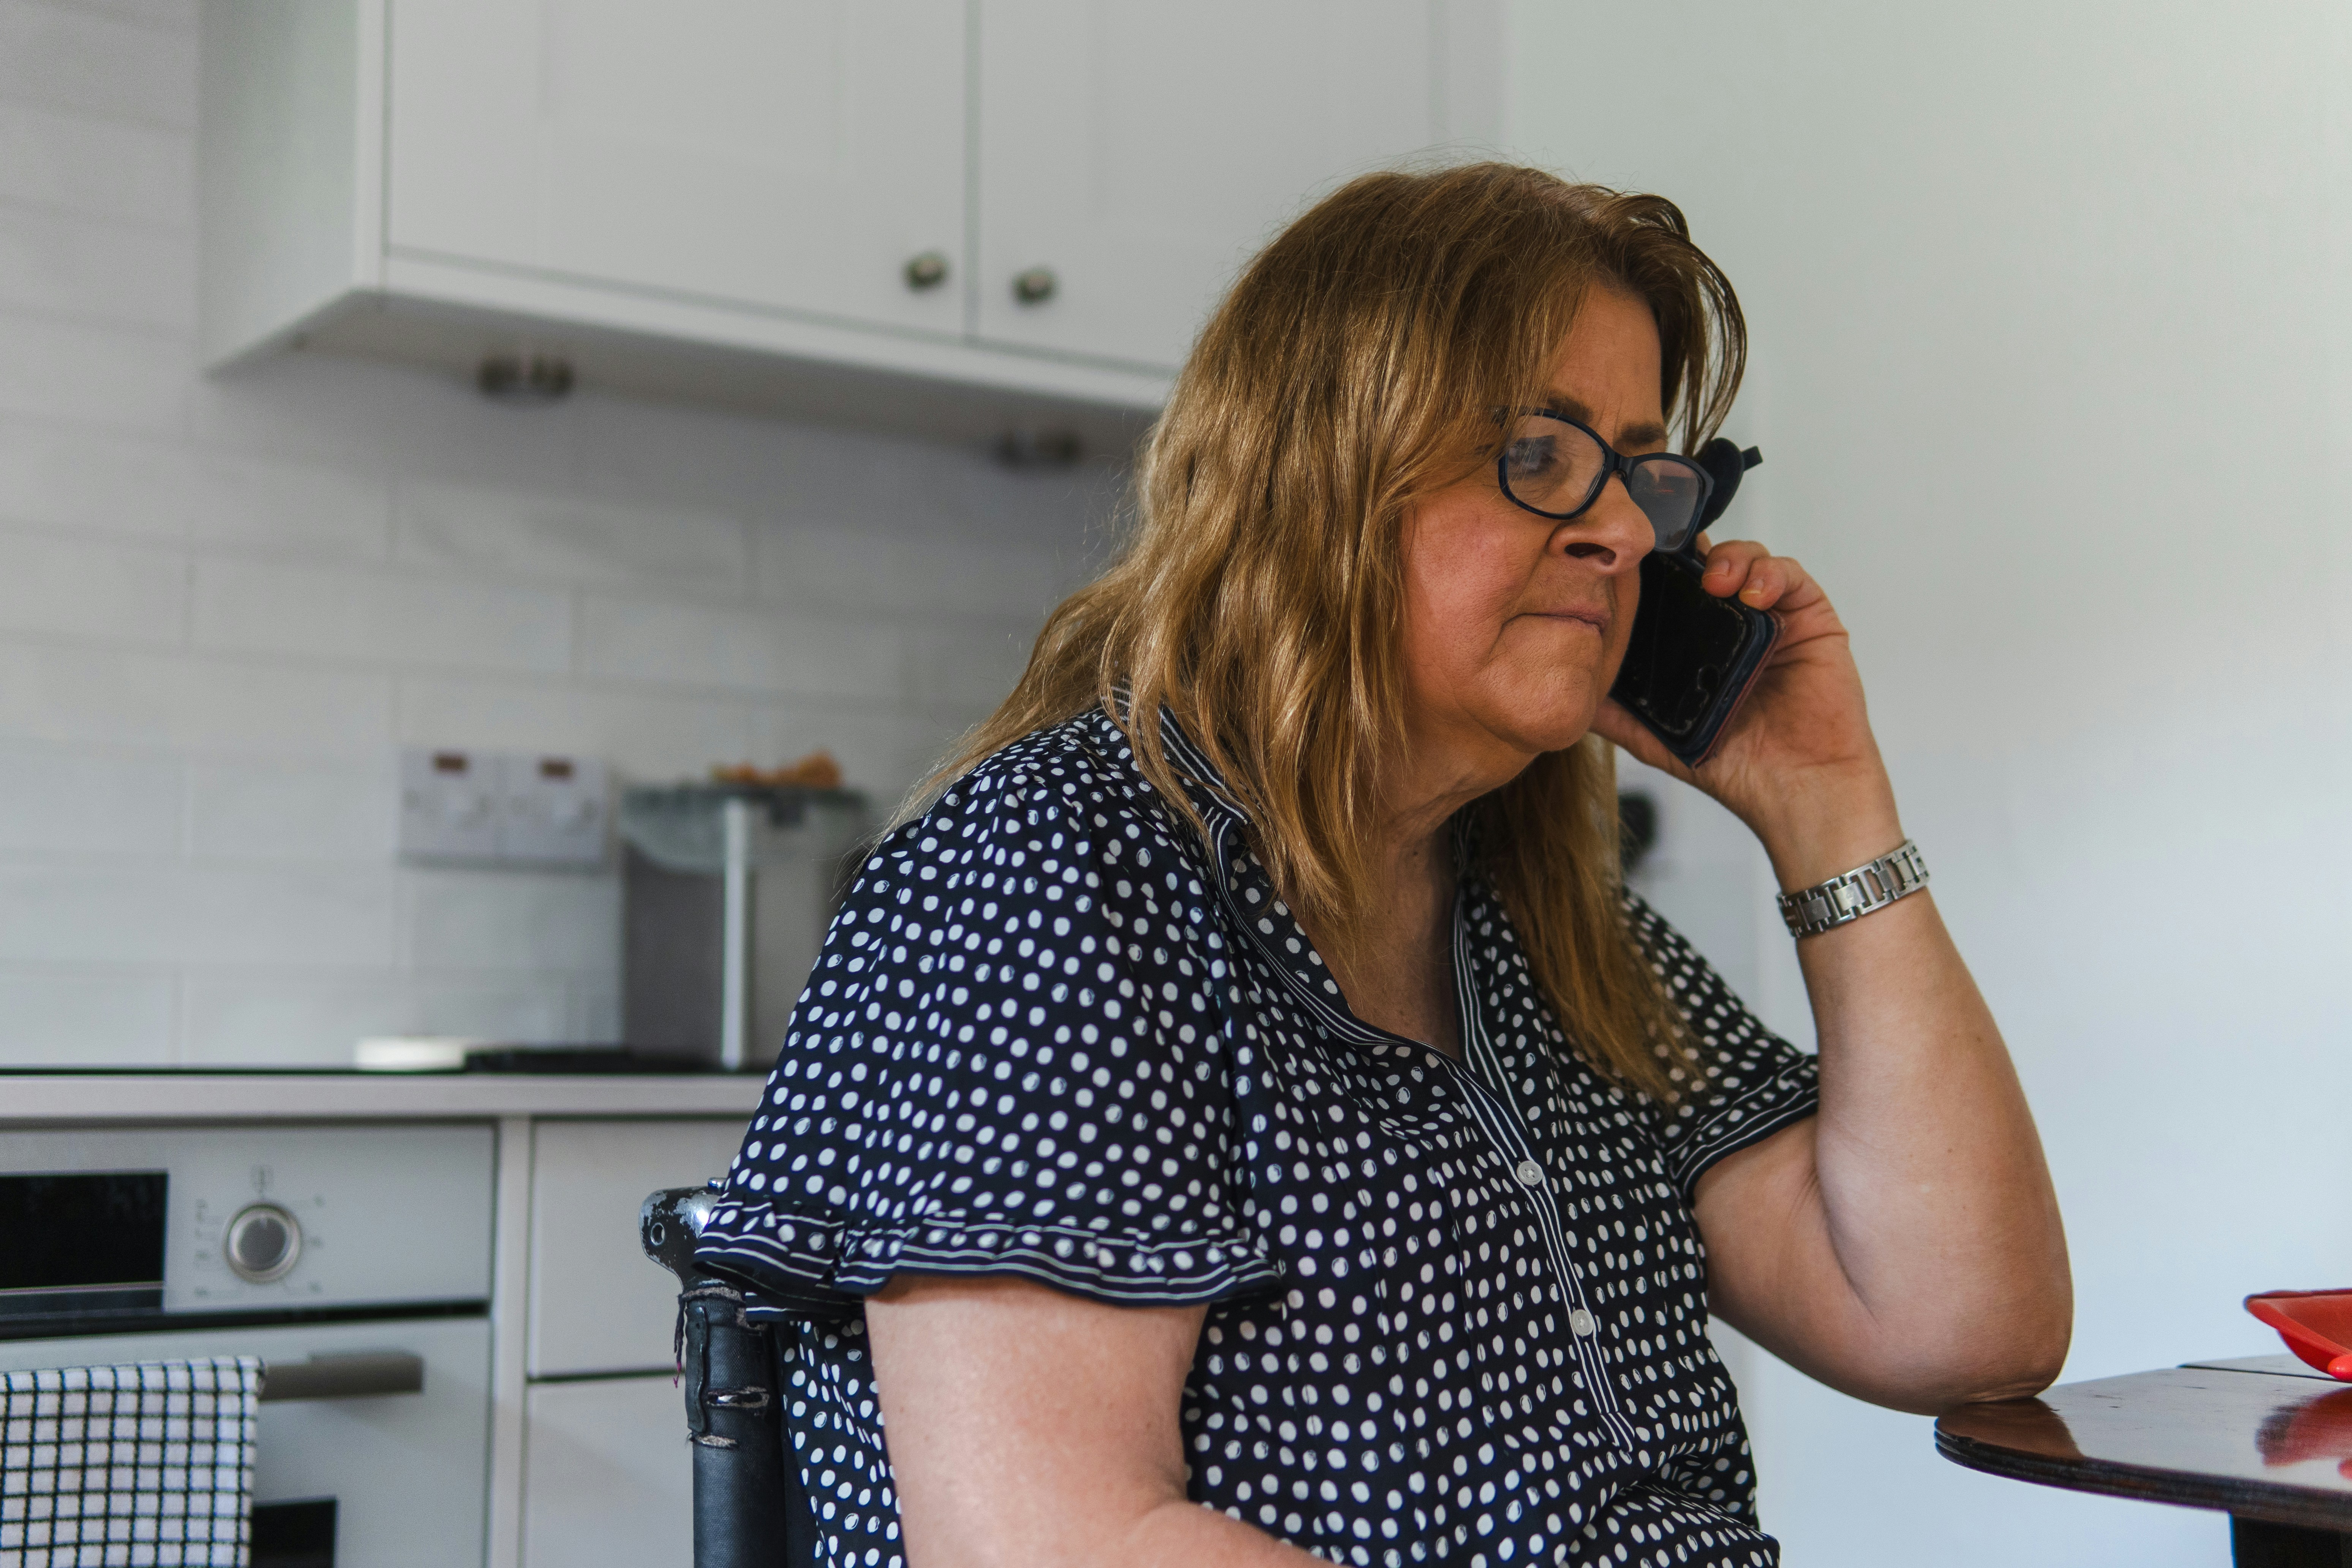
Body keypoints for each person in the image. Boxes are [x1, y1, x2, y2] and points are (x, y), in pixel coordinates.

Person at [695, 162, 2071, 1568]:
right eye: (1541, 454)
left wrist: (1829, 810)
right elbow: (1051, 1541)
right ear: (1320, 471)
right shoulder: (1065, 873)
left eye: (1647, 477)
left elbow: (1965, 1331)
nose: (1618, 533)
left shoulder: (1547, 932)